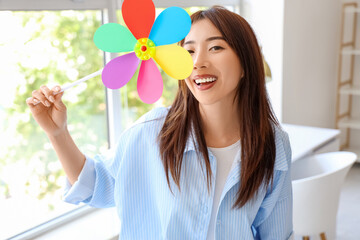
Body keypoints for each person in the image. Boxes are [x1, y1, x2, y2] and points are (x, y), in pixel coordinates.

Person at [27, 6, 293, 240]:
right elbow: (96, 185)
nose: (198, 62)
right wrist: (57, 133)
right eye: (188, 51)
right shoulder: (152, 131)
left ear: (246, 63)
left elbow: (276, 233)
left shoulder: (273, 143)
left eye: (216, 47)